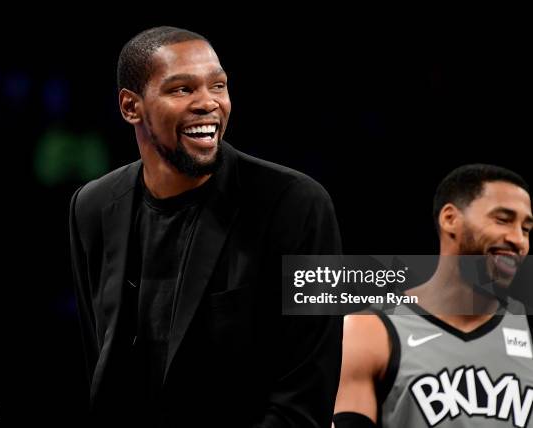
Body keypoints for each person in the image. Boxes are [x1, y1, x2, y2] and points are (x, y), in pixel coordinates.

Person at [69, 26, 343, 427]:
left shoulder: (295, 204)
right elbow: (97, 362)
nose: (208, 103)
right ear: (131, 107)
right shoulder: (92, 207)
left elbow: (305, 393)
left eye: (218, 85)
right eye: (182, 89)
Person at [333, 164, 533, 428]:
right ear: (450, 219)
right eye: (503, 219)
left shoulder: (526, 327)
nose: (519, 240)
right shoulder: (369, 332)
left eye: (527, 228)